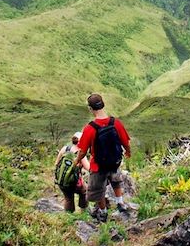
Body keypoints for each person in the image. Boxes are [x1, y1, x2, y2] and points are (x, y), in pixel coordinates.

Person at [73, 93, 132, 222]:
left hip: (98, 166)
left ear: (90, 108)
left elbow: (83, 151)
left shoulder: (90, 128)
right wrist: (128, 152)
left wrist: (77, 161)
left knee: (98, 190)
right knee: (116, 182)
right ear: (103, 105)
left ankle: (103, 212)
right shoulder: (116, 123)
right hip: (115, 162)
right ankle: (120, 203)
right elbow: (126, 142)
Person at [54, 131, 90, 212]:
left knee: (68, 198)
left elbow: (56, 164)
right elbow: (89, 168)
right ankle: (84, 210)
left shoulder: (65, 149)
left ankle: (69, 216)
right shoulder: (80, 153)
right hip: (74, 182)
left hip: (62, 181)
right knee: (85, 191)